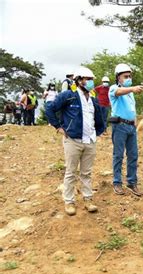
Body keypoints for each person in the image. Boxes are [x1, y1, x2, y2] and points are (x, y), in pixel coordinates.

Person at [45, 66, 105, 216]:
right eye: (87, 79)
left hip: (89, 140)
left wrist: (98, 132)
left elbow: (99, 118)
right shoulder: (68, 96)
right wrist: (58, 127)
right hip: (73, 140)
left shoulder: (92, 99)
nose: (90, 82)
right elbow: (50, 109)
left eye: (91, 79)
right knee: (71, 172)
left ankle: (87, 199)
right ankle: (69, 201)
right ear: (79, 80)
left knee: (87, 172)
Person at [109, 63, 143, 196]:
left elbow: (132, 108)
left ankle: (132, 182)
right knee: (118, 155)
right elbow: (118, 92)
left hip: (130, 127)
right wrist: (132, 88)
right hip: (119, 126)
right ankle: (117, 182)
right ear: (118, 78)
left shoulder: (130, 93)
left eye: (130, 76)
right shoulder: (114, 88)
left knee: (133, 155)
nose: (129, 78)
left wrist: (135, 121)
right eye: (126, 76)